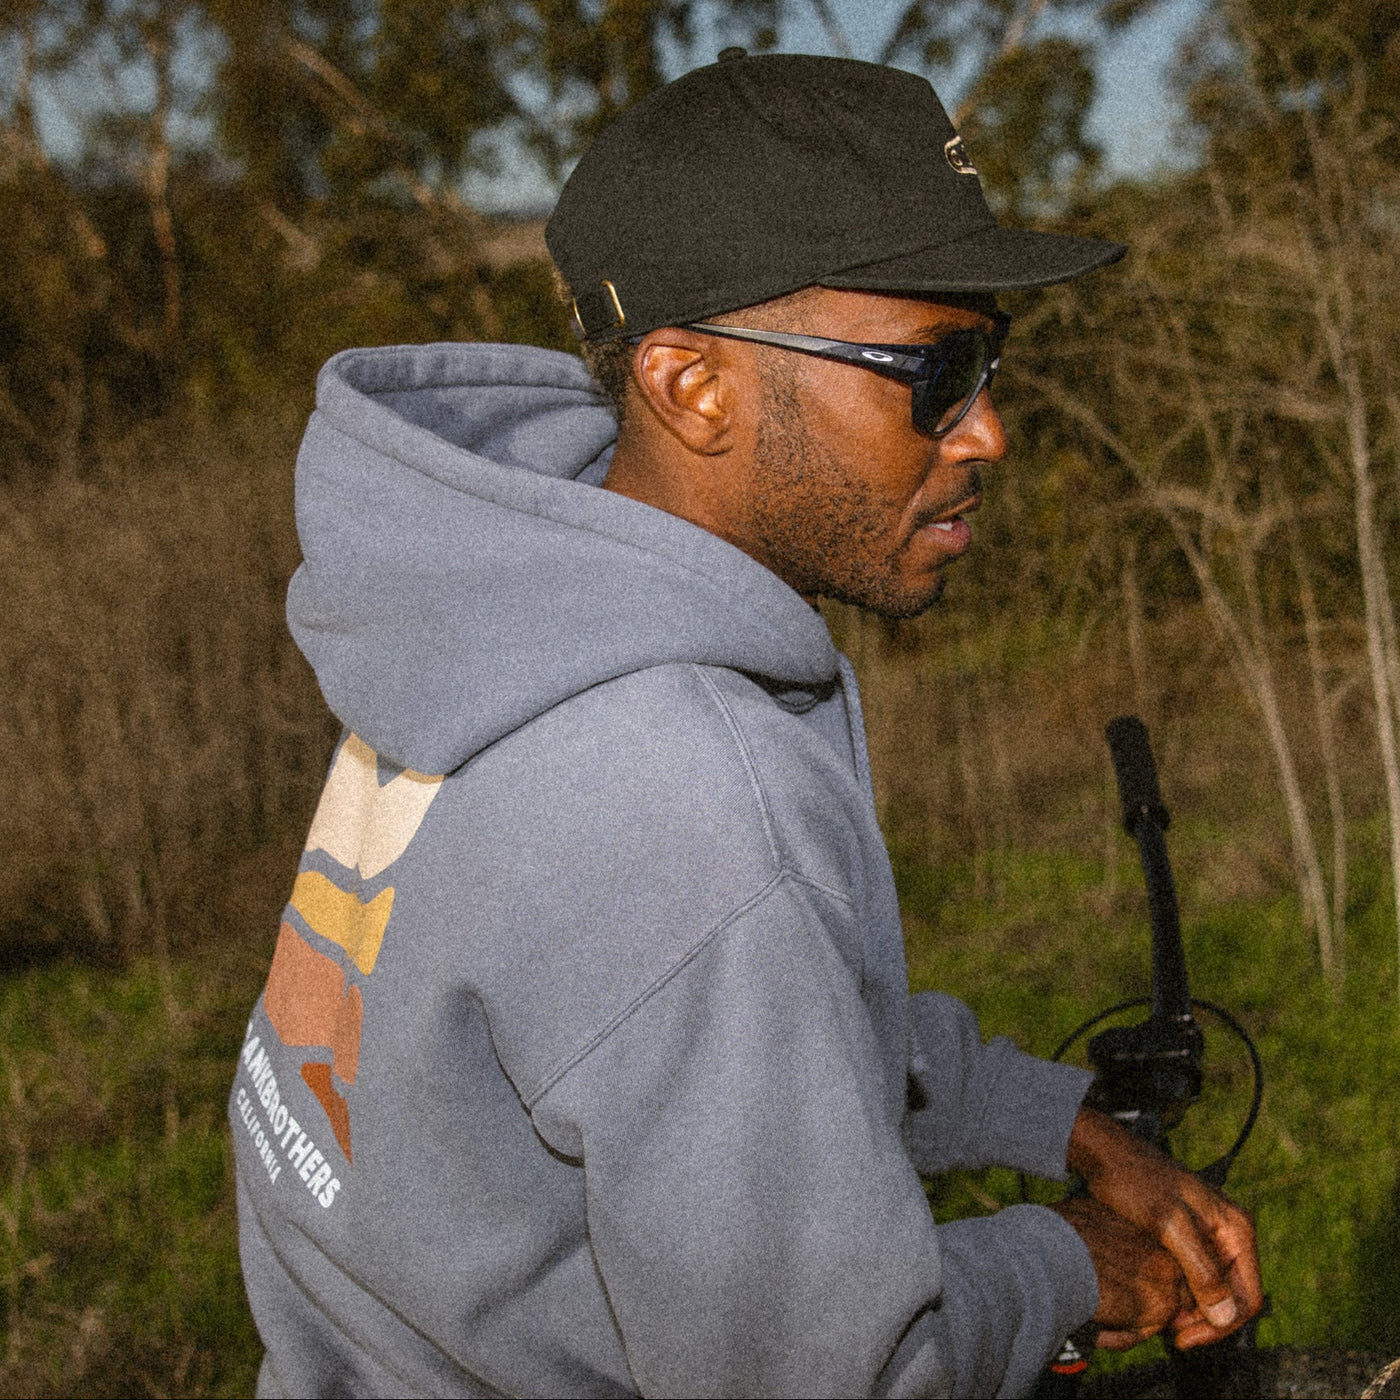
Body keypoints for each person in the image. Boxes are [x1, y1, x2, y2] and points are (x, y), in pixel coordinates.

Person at [229, 50, 1261, 1398]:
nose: (989, 431)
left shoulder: (501, 609)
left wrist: (1047, 1116)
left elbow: (693, 1014)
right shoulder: (692, 802)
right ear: (694, 385)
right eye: (932, 372)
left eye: (993, 357)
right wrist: (1063, 1265)